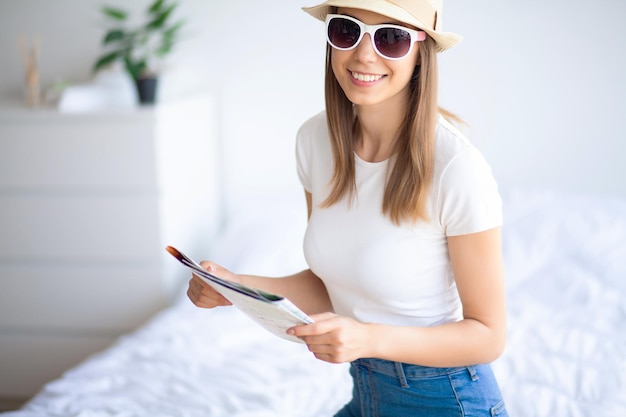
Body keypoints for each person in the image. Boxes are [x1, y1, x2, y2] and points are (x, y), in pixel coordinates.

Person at [187, 0, 508, 415]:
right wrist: (235, 287)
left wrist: (367, 338)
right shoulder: (314, 141)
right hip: (367, 392)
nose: (363, 54)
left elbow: (488, 335)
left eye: (390, 38)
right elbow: (331, 285)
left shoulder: (456, 168)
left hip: (445, 398)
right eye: (347, 31)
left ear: (421, 51)